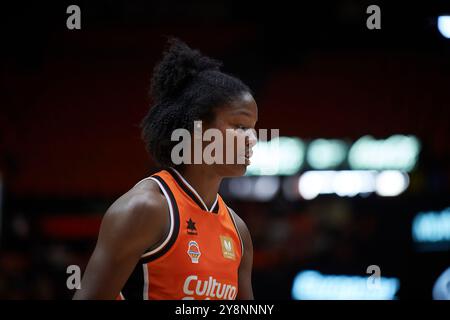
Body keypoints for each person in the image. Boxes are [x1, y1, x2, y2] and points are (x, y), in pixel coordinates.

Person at [73, 38, 258, 300]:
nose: (252, 138)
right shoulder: (145, 210)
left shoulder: (238, 232)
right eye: (240, 126)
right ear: (198, 129)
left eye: (253, 128)